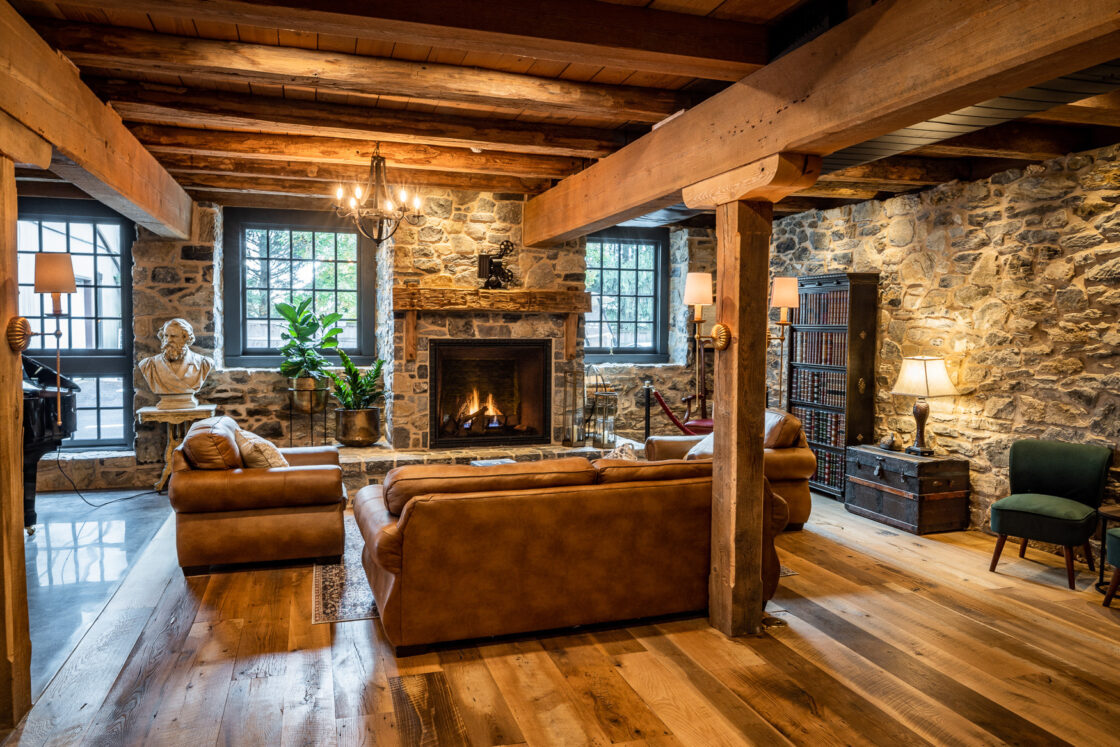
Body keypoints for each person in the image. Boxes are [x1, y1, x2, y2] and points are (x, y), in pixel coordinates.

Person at [137, 318, 214, 409]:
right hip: (164, 404)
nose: (168, 340)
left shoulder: (203, 363)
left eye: (173, 336)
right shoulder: (149, 365)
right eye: (166, 336)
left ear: (185, 338)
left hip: (188, 403)